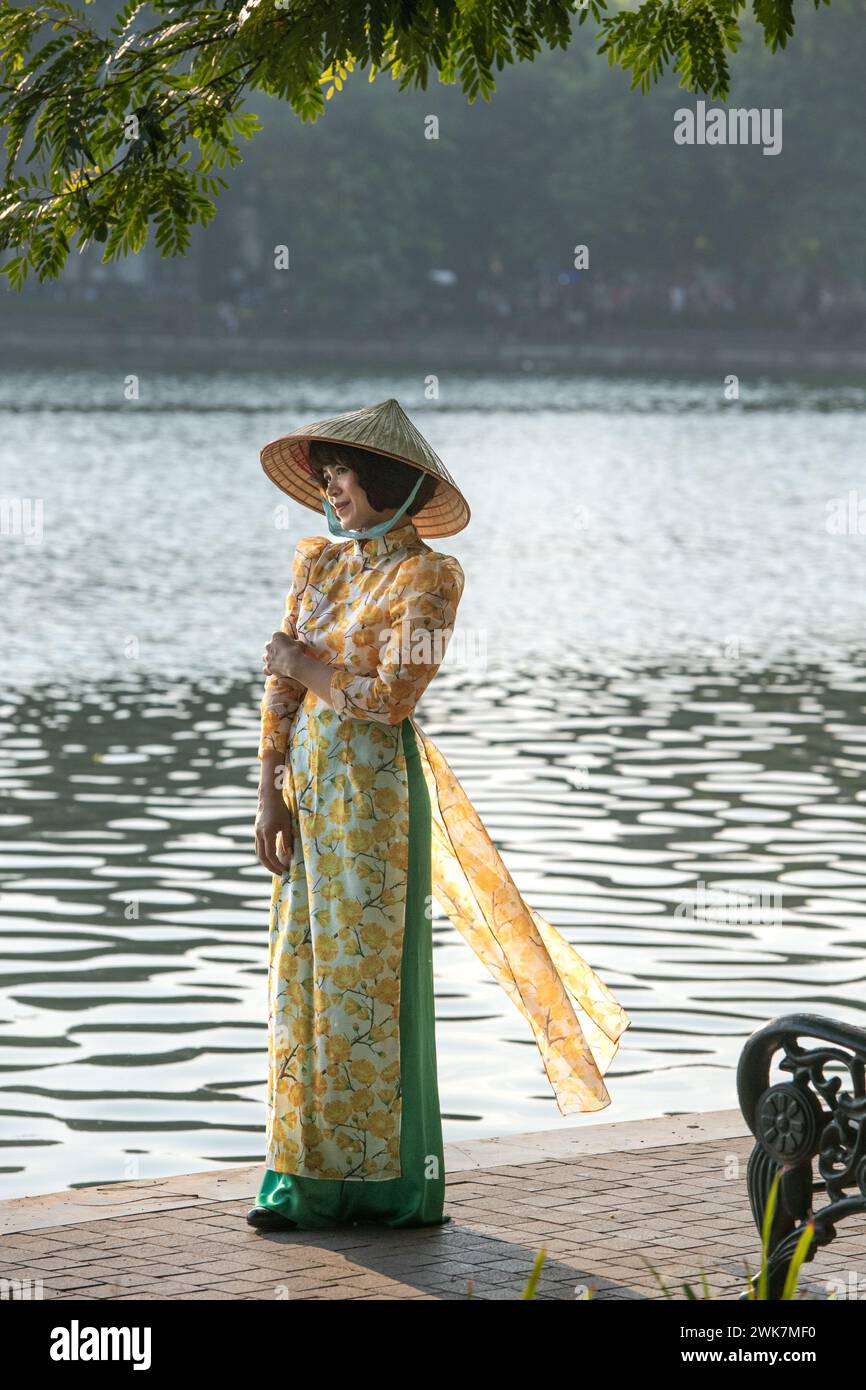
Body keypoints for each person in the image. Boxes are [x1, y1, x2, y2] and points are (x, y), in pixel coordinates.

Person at [248, 397, 631, 1231]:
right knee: (299, 976)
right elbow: (280, 683)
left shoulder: (429, 578)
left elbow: (389, 700)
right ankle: (300, 1178)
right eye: (327, 474)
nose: (331, 488)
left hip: (373, 798)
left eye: (343, 472)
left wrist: (303, 665)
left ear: (385, 479)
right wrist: (268, 784)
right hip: (309, 788)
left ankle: (383, 1186)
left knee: (363, 984)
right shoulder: (318, 563)